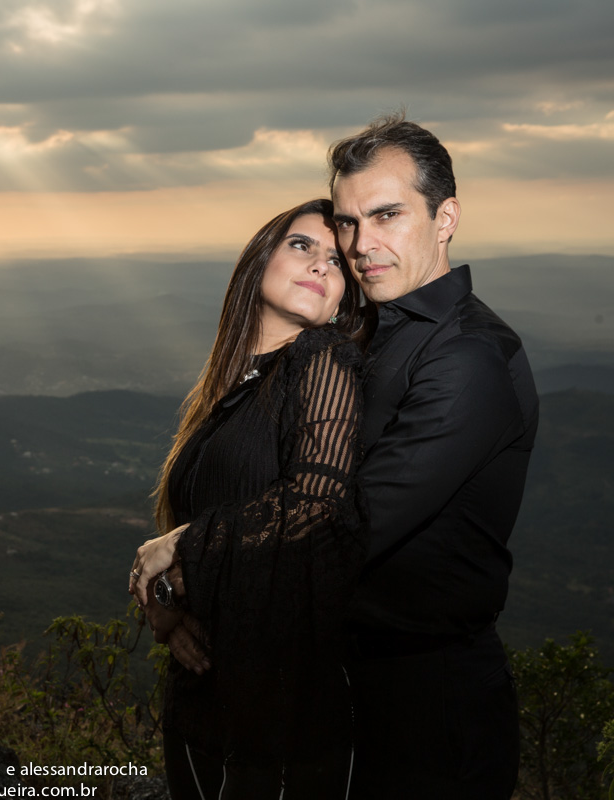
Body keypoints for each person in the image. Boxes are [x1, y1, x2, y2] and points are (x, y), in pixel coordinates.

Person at [328, 112, 539, 799]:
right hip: (348, 686)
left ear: (445, 217)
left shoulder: (469, 357)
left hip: (431, 708)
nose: (363, 244)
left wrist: (189, 555)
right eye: (347, 221)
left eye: (387, 215)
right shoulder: (370, 334)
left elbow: (353, 523)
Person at [129, 198, 369, 799]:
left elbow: (316, 502)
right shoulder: (232, 388)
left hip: (283, 712)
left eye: (337, 262)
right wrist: (166, 605)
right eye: (301, 246)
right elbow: (206, 522)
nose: (320, 265)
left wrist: (175, 550)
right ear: (258, 259)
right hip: (204, 697)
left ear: (345, 297)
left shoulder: (323, 358)